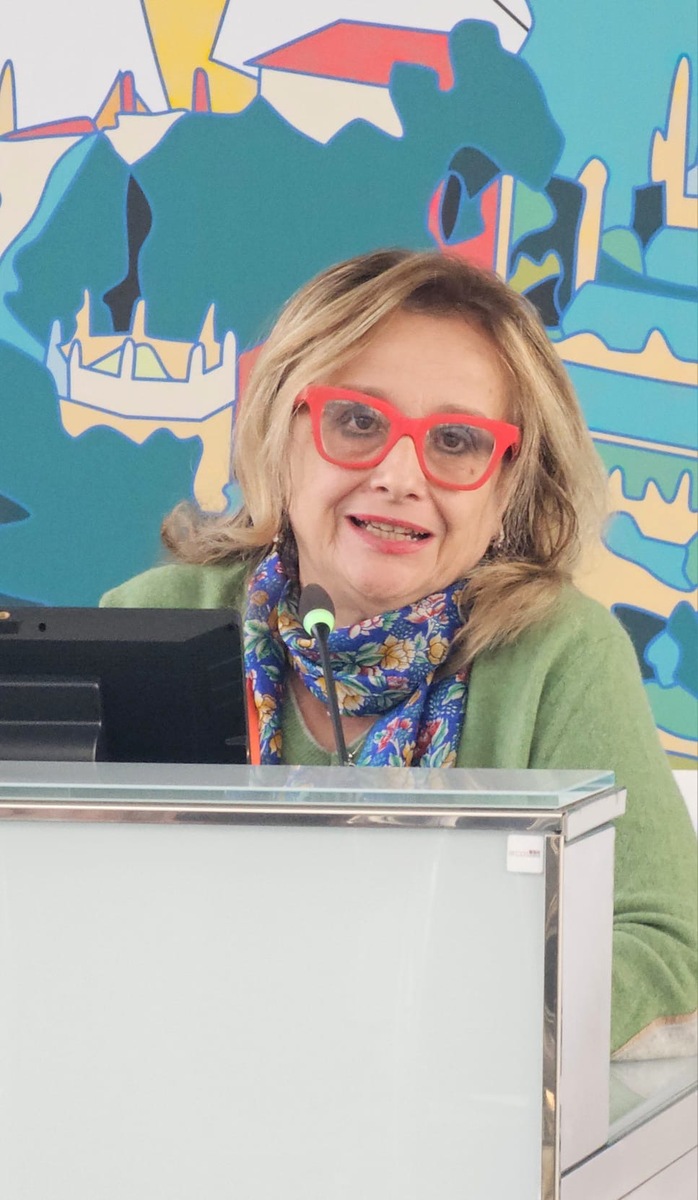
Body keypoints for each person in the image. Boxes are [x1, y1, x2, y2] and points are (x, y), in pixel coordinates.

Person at [102, 248, 696, 1060]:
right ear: (282, 433)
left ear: (507, 484)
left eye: (455, 440)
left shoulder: (559, 654)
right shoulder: (156, 619)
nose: (399, 475)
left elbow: (668, 949)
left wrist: (434, 1019)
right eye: (357, 422)